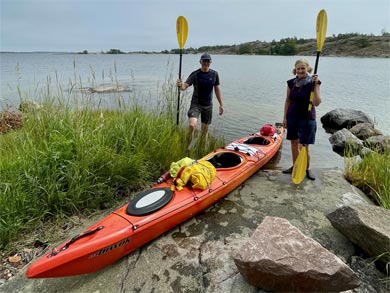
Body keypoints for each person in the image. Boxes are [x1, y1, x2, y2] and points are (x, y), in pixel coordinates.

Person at [282, 58, 322, 180]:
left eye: (303, 68)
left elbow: (317, 102)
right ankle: (295, 166)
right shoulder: (291, 83)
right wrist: (284, 118)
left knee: (304, 146)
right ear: (295, 70)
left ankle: (306, 169)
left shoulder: (314, 82)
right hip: (292, 115)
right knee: (294, 143)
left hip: (307, 117)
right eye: (298, 68)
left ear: (307, 69)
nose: (300, 70)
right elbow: (288, 100)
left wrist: (315, 86)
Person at [177, 53, 224, 150]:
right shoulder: (195, 74)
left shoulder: (214, 74)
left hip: (208, 106)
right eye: (204, 61)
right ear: (200, 62)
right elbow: (185, 86)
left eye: (207, 61)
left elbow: (216, 89)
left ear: (210, 62)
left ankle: (201, 150)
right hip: (196, 105)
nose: (205, 63)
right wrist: (180, 85)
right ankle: (187, 148)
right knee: (191, 125)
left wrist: (221, 105)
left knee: (204, 131)